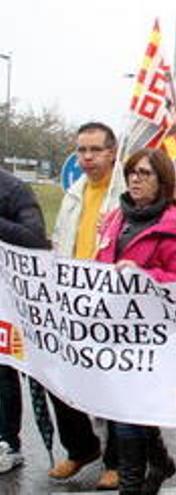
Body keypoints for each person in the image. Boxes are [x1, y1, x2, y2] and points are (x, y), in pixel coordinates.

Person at [94, 148, 176, 494]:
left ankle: (131, 487)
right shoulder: (114, 218)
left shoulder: (175, 226)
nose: (135, 179)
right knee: (130, 413)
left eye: (145, 173)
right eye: (131, 172)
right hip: (114, 331)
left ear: (163, 181)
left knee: (125, 416)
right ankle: (162, 462)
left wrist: (145, 275)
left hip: (150, 336)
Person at [50, 121, 126, 487]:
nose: (87, 157)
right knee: (57, 378)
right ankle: (81, 449)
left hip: (110, 306)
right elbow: (60, 241)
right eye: (81, 150)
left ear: (112, 152)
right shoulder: (73, 193)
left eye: (95, 150)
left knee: (112, 384)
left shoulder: (124, 195)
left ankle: (116, 461)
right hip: (71, 303)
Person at [0, 168, 50, 474]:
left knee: (2, 368)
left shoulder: (14, 189)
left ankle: (7, 442)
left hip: (6, 297)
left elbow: (35, 239)